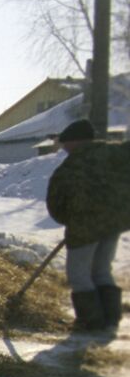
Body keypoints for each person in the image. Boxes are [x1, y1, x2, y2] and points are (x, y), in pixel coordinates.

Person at [45, 118, 130, 332]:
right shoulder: (116, 154)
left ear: (76, 141)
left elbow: (56, 201)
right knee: (102, 270)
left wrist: (70, 219)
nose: (64, 148)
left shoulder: (73, 165)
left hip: (84, 227)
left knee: (79, 274)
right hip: (113, 223)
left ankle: (91, 322)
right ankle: (110, 320)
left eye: (66, 143)